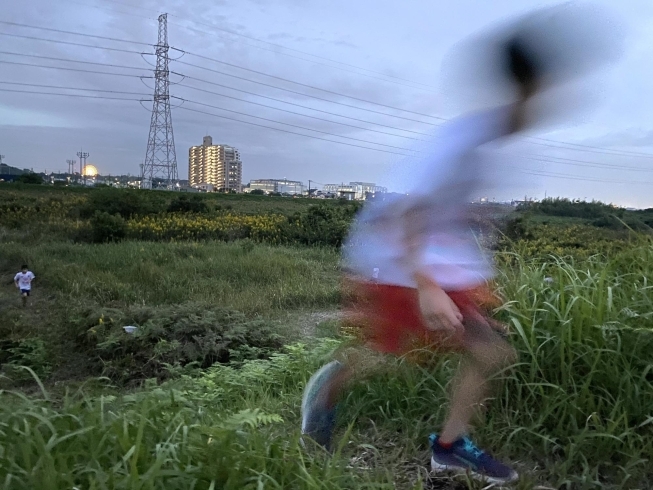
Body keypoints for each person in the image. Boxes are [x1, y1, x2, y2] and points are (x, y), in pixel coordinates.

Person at [300, 36, 542, 484]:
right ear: (524, 89)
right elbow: (408, 208)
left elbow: (458, 221)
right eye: (542, 97)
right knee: (390, 353)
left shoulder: (494, 148)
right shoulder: (462, 140)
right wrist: (428, 287)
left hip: (438, 264)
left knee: (489, 351)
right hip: (396, 262)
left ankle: (449, 448)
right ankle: (328, 392)